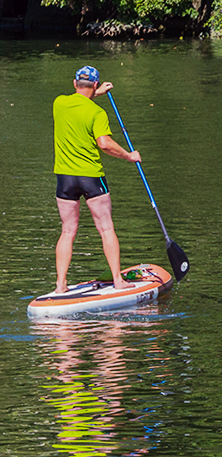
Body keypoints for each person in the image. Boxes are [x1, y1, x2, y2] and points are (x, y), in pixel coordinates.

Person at [53, 66, 141, 294]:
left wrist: (95, 92)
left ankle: (60, 284)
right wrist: (129, 156)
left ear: (74, 84)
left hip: (65, 178)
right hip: (91, 177)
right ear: (94, 85)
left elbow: (78, 101)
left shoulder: (59, 103)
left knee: (67, 231)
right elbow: (104, 143)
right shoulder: (97, 113)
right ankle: (118, 280)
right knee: (106, 228)